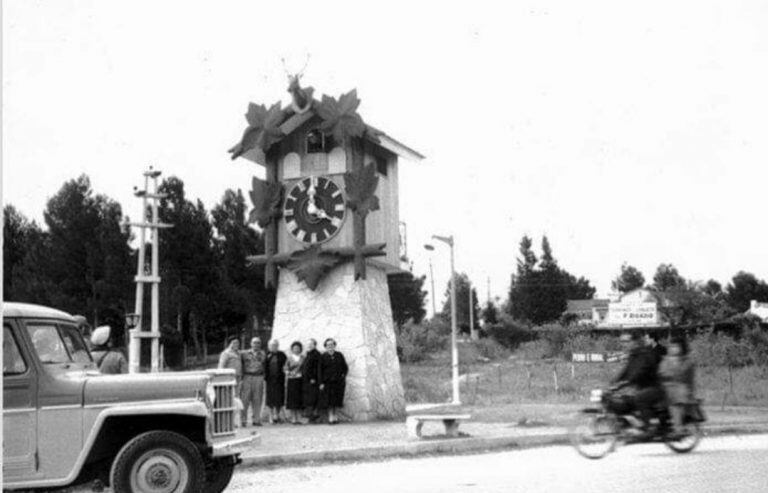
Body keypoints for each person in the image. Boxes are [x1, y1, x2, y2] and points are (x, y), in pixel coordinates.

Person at [610, 332, 665, 430]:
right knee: (626, 400)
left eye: (627, 341)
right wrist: (614, 382)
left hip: (654, 387)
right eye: (622, 341)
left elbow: (640, 371)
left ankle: (650, 426)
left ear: (635, 341)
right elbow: (626, 371)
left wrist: (626, 382)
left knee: (640, 399)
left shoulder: (643, 353)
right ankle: (632, 424)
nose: (624, 344)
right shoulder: (633, 354)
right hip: (643, 387)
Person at [659, 336, 696, 434]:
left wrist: (673, 367)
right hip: (667, 387)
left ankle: (678, 427)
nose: (673, 349)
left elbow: (682, 374)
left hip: (682, 387)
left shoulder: (687, 360)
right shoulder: (666, 359)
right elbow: (661, 372)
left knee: (675, 401)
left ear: (682, 347)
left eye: (676, 346)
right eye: (671, 346)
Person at [319, 338, 348, 425]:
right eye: (328, 345)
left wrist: (343, 375)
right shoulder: (323, 356)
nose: (330, 346)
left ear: (334, 345)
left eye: (332, 344)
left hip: (338, 382)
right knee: (329, 400)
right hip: (327, 382)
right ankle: (330, 416)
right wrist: (321, 383)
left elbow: (345, 367)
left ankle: (335, 415)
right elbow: (319, 370)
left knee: (336, 400)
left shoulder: (339, 355)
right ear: (325, 346)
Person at [240, 337, 266, 427]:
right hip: (247, 376)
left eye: (258, 343)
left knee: (257, 399)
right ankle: (243, 420)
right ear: (251, 343)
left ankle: (256, 420)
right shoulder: (244, 353)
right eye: (254, 343)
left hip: (258, 377)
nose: (256, 344)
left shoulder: (263, 354)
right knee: (245, 399)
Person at [264, 339, 287, 424]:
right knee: (270, 397)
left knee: (279, 397)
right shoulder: (266, 354)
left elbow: (286, 365)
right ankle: (270, 415)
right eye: (272, 345)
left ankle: (276, 415)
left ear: (278, 346)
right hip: (269, 379)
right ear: (269, 346)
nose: (273, 347)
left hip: (279, 379)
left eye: (275, 345)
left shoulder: (282, 355)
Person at [284, 341, 305, 424]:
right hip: (292, 380)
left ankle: (299, 418)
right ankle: (293, 418)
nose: (296, 350)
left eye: (298, 348)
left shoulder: (303, 358)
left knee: (299, 399)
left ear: (300, 349)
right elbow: (285, 368)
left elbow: (305, 368)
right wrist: (288, 372)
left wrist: (301, 373)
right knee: (292, 399)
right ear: (292, 349)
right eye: (295, 348)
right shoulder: (289, 358)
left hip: (300, 379)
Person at [301, 338, 322, 423]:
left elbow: (317, 368)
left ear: (314, 345)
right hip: (307, 380)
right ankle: (311, 417)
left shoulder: (316, 354)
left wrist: (313, 378)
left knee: (313, 399)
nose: (309, 345)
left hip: (312, 380)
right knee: (309, 399)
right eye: (308, 344)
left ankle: (313, 417)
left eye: (311, 344)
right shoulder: (309, 354)